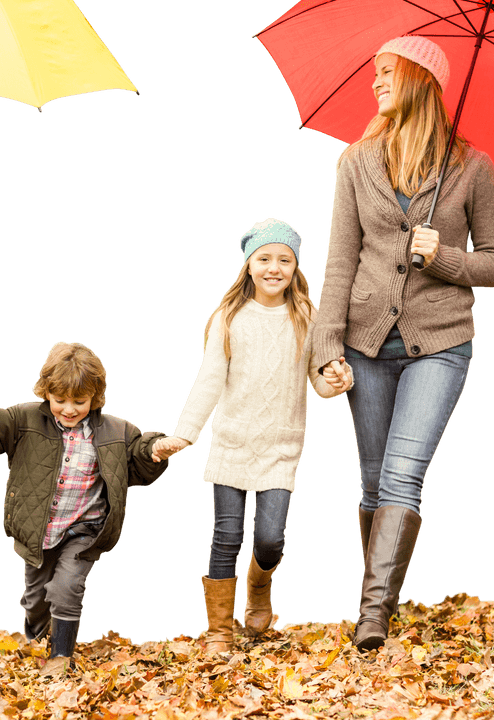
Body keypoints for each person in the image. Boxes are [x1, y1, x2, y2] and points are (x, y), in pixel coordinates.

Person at [312, 36, 494, 651]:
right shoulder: (355, 162)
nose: (375, 83)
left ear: (422, 81)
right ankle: (381, 605)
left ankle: (371, 618)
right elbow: (340, 263)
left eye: (387, 73)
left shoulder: (473, 168)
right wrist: (327, 350)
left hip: (441, 343)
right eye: (373, 73)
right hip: (367, 346)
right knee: (373, 481)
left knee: (402, 474)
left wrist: (446, 257)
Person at [151, 219, 352, 656]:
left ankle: (259, 584)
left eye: (284, 259)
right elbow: (209, 380)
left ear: (296, 267)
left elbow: (318, 385)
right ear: (248, 265)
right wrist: (185, 435)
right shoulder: (230, 317)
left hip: (281, 447)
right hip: (232, 443)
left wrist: (336, 378)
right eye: (264, 259)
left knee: (269, 538)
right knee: (226, 536)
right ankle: (220, 630)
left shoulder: (308, 317)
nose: (273, 268)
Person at [0, 342, 171, 677]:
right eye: (60, 400)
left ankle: (61, 657)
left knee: (67, 587)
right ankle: (35, 641)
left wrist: (154, 450)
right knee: (36, 598)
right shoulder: (24, 420)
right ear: (46, 393)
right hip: (39, 530)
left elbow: (137, 463)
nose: (69, 409)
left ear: (94, 398)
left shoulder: (117, 431)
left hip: (85, 530)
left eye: (79, 402)